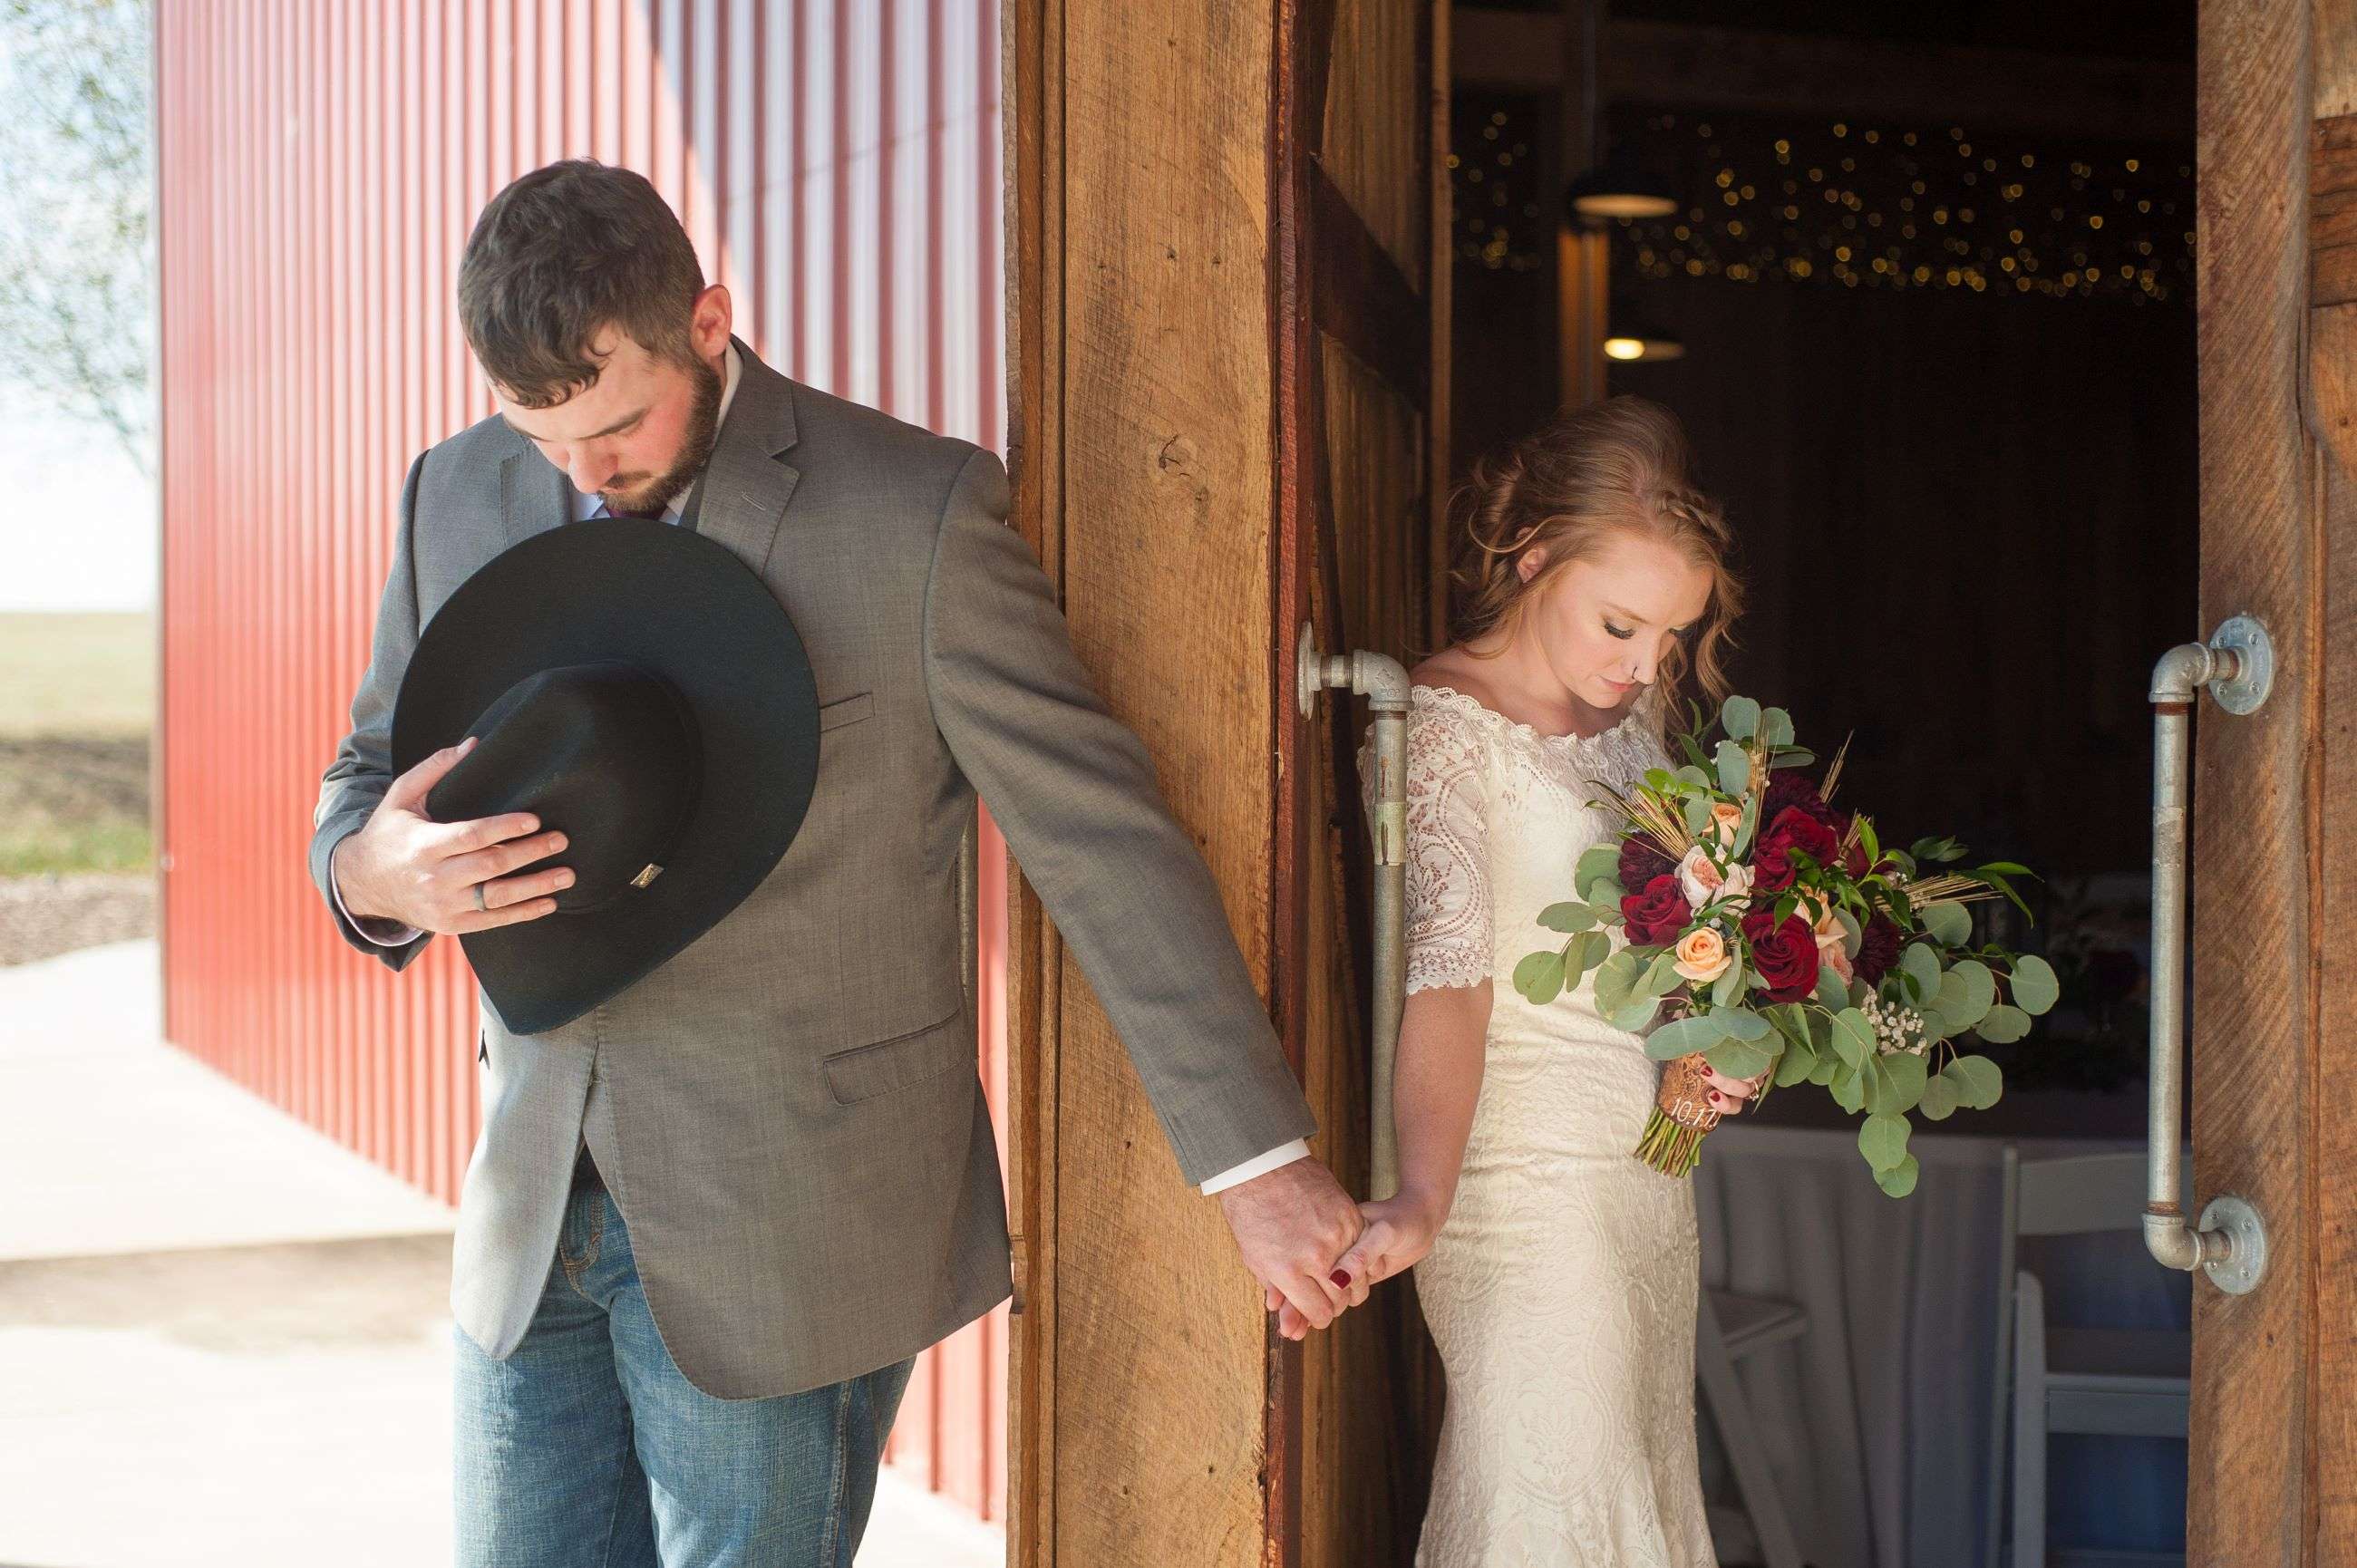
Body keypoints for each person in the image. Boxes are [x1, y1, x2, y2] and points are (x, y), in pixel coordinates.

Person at [309, 158, 1363, 1567]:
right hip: (525, 1220)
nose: (584, 474)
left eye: (617, 426)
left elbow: (1097, 836)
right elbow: (368, 777)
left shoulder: (916, 514)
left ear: (710, 321)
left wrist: (1259, 1162)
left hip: (791, 1222)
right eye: (538, 433)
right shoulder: (451, 491)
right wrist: (378, 872)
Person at [1330, 396, 1765, 1565]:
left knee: (1641, 1492)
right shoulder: (1444, 723)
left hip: (1648, 1195)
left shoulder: (1638, 725)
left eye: (1669, 642)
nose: (1642, 666)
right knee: (1547, 1497)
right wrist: (1420, 1197)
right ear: (1531, 559)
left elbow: (1667, 959)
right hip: (1523, 1203)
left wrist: (1707, 1057)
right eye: (1621, 624)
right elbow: (1452, 983)